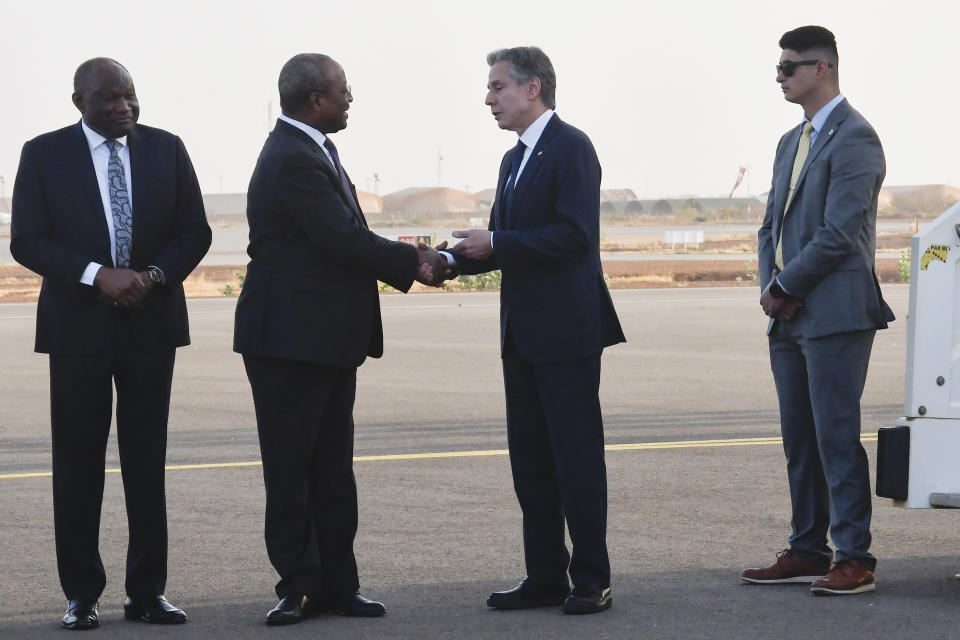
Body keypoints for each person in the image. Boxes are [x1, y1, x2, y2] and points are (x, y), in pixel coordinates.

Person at [233, 53, 447, 626]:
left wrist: (413, 258)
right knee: (292, 470)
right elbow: (341, 237)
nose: (350, 99)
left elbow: (346, 236)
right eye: (343, 90)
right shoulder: (291, 157)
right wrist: (417, 262)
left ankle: (337, 583)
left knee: (331, 468)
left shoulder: (312, 149)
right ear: (315, 99)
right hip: (286, 341)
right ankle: (299, 585)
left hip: (324, 339)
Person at [10, 58, 211, 629]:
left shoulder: (167, 149)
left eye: (130, 97)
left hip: (152, 326)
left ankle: (147, 592)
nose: (123, 107)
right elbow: (27, 239)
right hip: (78, 331)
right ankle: (81, 594)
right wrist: (96, 273)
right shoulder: (43, 154)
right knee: (77, 464)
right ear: (79, 102)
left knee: (146, 462)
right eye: (109, 99)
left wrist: (152, 276)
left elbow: (195, 231)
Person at [447, 46, 625, 615]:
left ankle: (591, 577)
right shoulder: (512, 159)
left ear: (533, 88)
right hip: (521, 334)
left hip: (566, 333)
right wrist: (447, 262)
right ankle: (545, 574)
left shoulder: (571, 148)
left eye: (498, 87)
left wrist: (495, 242)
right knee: (531, 463)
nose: (488, 98)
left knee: (575, 459)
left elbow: (574, 236)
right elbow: (504, 242)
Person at [742, 25, 894, 596]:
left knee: (835, 435)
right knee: (798, 437)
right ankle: (809, 548)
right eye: (778, 68)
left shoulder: (856, 137)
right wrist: (771, 290)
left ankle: (854, 557)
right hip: (786, 312)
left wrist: (785, 285)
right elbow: (769, 227)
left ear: (821, 69)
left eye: (789, 68)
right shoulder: (790, 140)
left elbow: (838, 233)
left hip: (836, 312)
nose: (780, 77)